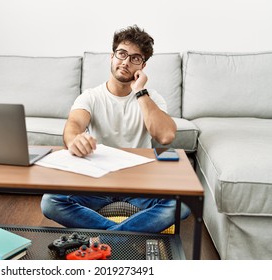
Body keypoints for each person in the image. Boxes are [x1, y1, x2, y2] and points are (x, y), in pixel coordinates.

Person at [41, 25, 190, 233]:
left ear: (143, 66)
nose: (126, 62)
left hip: (140, 184)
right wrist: (74, 139)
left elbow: (165, 136)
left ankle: (110, 238)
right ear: (112, 56)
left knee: (182, 204)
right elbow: (73, 125)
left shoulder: (152, 98)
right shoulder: (91, 96)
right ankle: (122, 237)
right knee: (50, 202)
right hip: (97, 183)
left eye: (135, 58)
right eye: (122, 54)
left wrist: (140, 92)